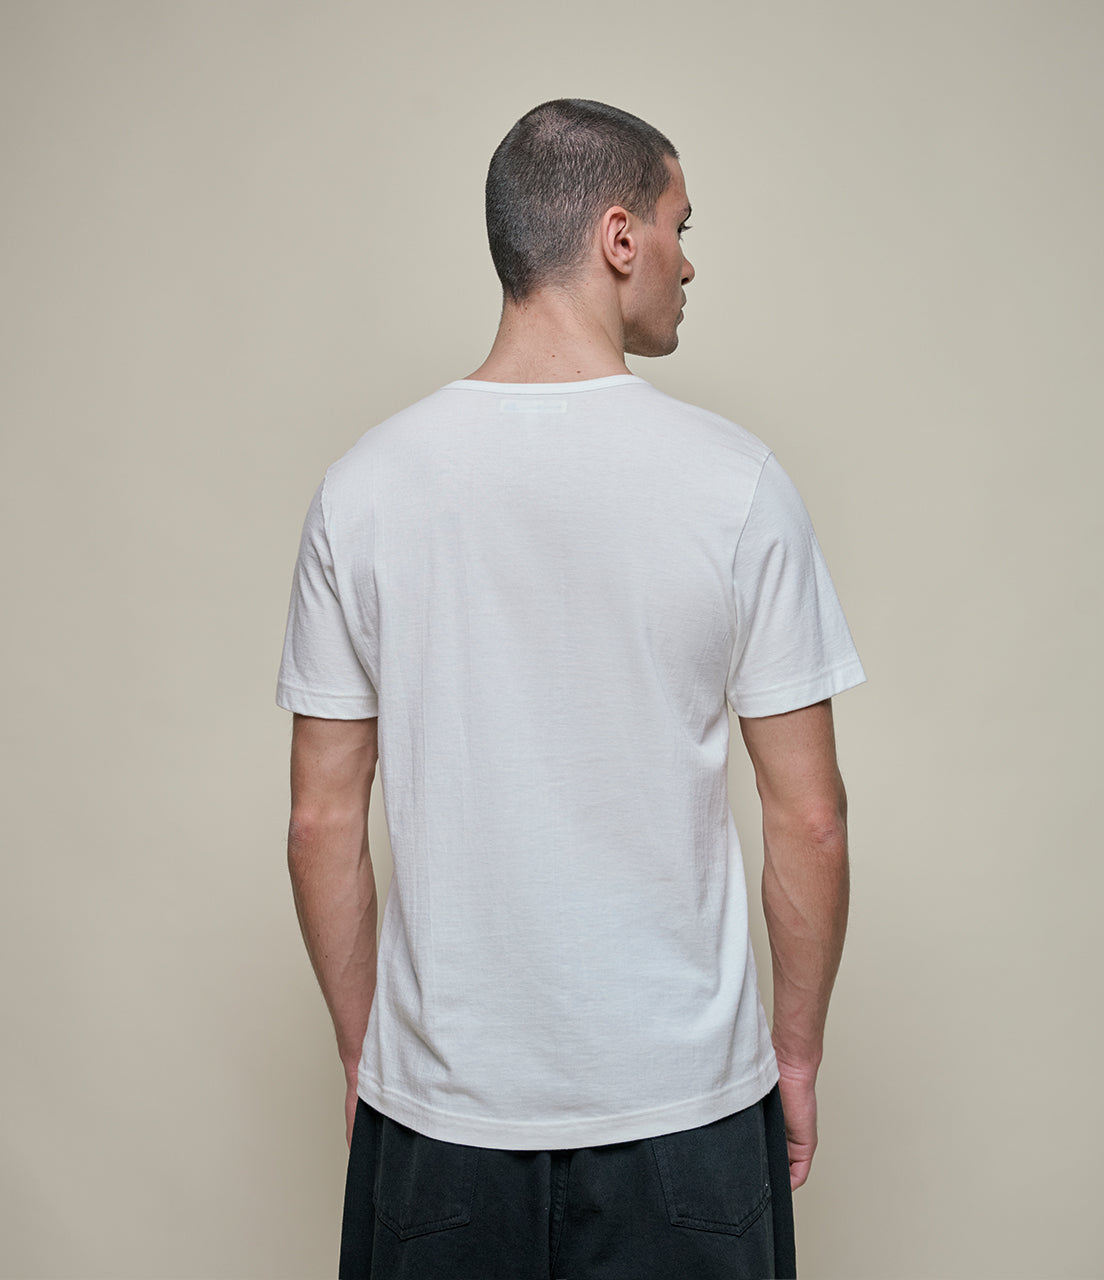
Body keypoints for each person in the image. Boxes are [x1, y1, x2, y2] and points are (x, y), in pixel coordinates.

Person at [277, 98, 865, 1279]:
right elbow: (809, 817)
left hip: (440, 1121)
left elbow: (321, 820)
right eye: (680, 226)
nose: (689, 263)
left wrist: (367, 1058)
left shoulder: (364, 488)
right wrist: (795, 1058)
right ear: (619, 237)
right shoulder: (737, 483)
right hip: (688, 1116)